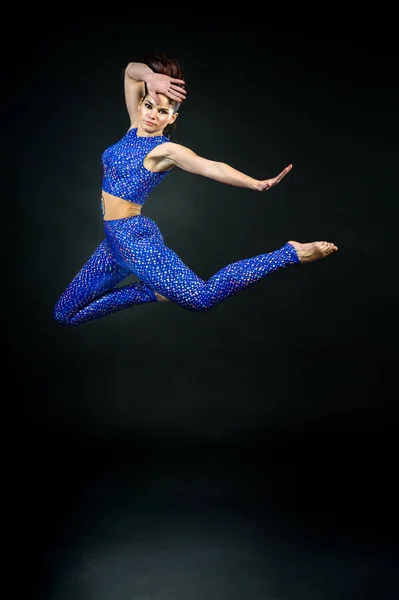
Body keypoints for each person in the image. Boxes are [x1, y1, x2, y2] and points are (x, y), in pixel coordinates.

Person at [54, 52, 338, 327]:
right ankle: (149, 292)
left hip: (134, 241)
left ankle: (289, 254)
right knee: (64, 314)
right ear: (141, 104)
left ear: (171, 119)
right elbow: (131, 71)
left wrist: (256, 183)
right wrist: (151, 77)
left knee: (201, 297)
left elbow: (212, 167)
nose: (153, 115)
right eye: (150, 105)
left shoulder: (164, 150)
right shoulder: (133, 128)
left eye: (163, 111)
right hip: (113, 244)